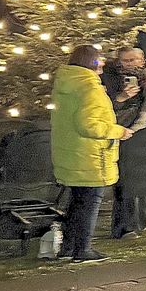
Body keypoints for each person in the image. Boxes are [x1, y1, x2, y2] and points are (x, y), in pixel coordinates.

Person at [50, 45, 134, 262]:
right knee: (90, 203)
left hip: (72, 153)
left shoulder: (68, 83)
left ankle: (68, 248)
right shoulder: (90, 87)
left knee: (77, 202)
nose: (103, 65)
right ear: (91, 63)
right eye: (99, 62)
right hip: (91, 156)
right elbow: (89, 125)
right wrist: (118, 131)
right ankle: (83, 249)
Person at [107, 62, 146, 239]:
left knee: (144, 180)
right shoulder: (111, 79)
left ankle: (142, 221)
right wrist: (121, 98)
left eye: (138, 58)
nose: (135, 63)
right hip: (128, 135)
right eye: (129, 59)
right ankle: (124, 226)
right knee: (128, 184)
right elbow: (107, 109)